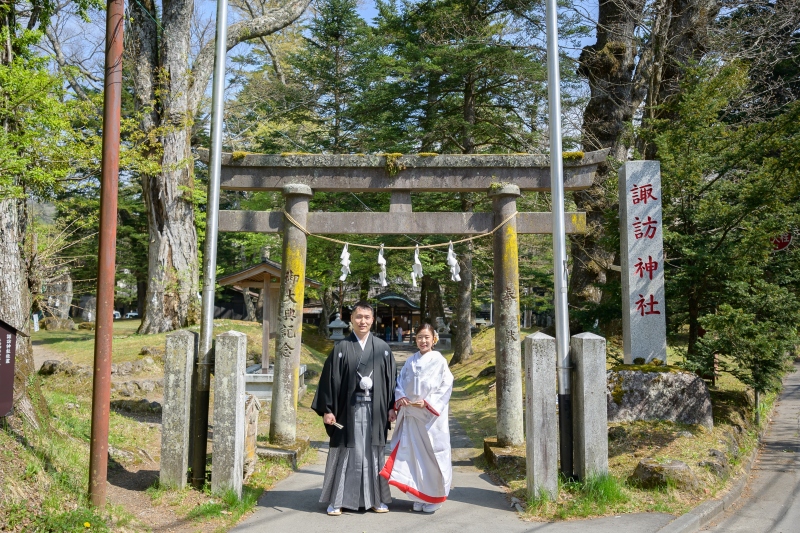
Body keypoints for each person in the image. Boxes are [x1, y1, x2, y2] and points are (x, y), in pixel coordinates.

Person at [312, 301, 397, 516]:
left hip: (375, 411)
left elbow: (391, 381)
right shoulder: (341, 348)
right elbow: (329, 381)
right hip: (347, 411)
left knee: (373, 452)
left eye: (367, 317)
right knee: (346, 452)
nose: (363, 321)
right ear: (351, 319)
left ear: (373, 319)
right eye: (359, 317)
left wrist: (391, 407)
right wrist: (328, 409)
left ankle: (376, 499)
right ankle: (338, 500)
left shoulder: (383, 349)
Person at [380, 323, 454, 513]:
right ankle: (419, 494)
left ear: (433, 339)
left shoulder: (439, 361)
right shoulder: (410, 361)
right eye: (420, 337)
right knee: (413, 456)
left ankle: (435, 496)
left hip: (430, 418)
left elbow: (446, 385)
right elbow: (400, 382)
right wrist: (401, 396)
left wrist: (429, 402)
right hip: (411, 415)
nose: (423, 341)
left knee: (431, 456)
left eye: (426, 337)